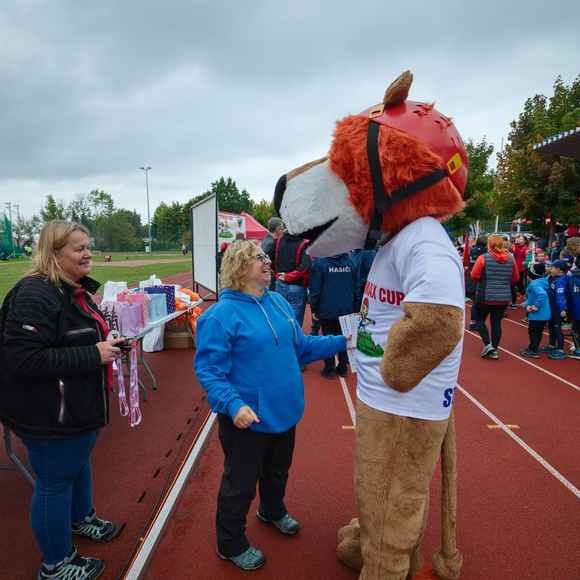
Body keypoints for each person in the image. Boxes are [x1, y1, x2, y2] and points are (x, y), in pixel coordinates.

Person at [194, 240, 349, 572]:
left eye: (265, 256)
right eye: (257, 257)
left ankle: (272, 510)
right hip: (247, 419)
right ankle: (230, 542)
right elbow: (209, 371)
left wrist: (341, 341)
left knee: (278, 471)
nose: (267, 261)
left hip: (285, 411)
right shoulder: (220, 316)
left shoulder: (278, 301)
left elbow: (301, 347)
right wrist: (233, 405)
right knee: (240, 485)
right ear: (239, 268)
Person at [0, 221, 124, 580]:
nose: (88, 253)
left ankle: (80, 518)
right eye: (78, 248)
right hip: (48, 414)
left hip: (74, 409)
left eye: (88, 246)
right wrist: (93, 354)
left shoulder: (69, 288)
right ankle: (56, 564)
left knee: (77, 465)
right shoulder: (35, 295)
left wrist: (106, 345)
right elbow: (23, 359)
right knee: (54, 483)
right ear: (54, 254)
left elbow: (73, 339)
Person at [308, 253, 357, 378]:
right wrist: (355, 306)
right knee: (345, 337)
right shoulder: (350, 262)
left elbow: (315, 289)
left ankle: (329, 369)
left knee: (328, 339)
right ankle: (343, 368)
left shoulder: (320, 263)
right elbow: (356, 286)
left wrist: (314, 308)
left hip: (327, 308)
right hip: (346, 308)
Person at [470, 234, 519, 359]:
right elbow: (516, 278)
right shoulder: (511, 258)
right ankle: (494, 349)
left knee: (479, 320)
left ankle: (488, 344)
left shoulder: (483, 258)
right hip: (503, 297)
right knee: (496, 323)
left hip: (485, 295)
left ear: (489, 245)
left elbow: (474, 275)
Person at [269, 232, 311, 328]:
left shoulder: (279, 240)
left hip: (280, 283)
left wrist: (277, 273)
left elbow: (270, 257)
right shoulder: (304, 243)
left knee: (280, 316)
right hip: (296, 285)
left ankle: (282, 336)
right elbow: (305, 266)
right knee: (295, 320)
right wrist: (288, 276)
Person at [520, 263, 550, 358]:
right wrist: (526, 303)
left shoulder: (534, 284)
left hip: (537, 314)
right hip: (544, 313)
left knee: (533, 331)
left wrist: (535, 306)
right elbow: (534, 296)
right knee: (538, 331)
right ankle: (534, 347)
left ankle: (533, 350)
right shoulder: (544, 281)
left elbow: (542, 295)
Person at [541, 260, 569, 360]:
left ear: (559, 270)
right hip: (552, 307)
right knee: (551, 326)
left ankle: (560, 349)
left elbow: (561, 297)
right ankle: (552, 345)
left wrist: (563, 309)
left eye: (552, 268)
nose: (550, 269)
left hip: (558, 309)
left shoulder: (562, 280)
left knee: (557, 327)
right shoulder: (553, 278)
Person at [261, 217, 284, 291]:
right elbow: (262, 258)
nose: (283, 230)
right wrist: (269, 269)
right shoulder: (271, 242)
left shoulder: (266, 239)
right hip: (270, 278)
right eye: (281, 228)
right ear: (277, 229)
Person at [566, 254, 580, 359]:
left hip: (576, 308)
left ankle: (578, 351)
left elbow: (568, 294)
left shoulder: (571, 277)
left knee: (575, 329)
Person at [510, 235, 528, 308]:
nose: (520, 240)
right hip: (513, 267)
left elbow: (520, 253)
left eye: (521, 239)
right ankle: (514, 300)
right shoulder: (514, 246)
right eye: (519, 239)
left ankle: (524, 296)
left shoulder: (526, 248)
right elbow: (512, 253)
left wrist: (515, 245)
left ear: (525, 241)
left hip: (521, 268)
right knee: (513, 284)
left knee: (519, 284)